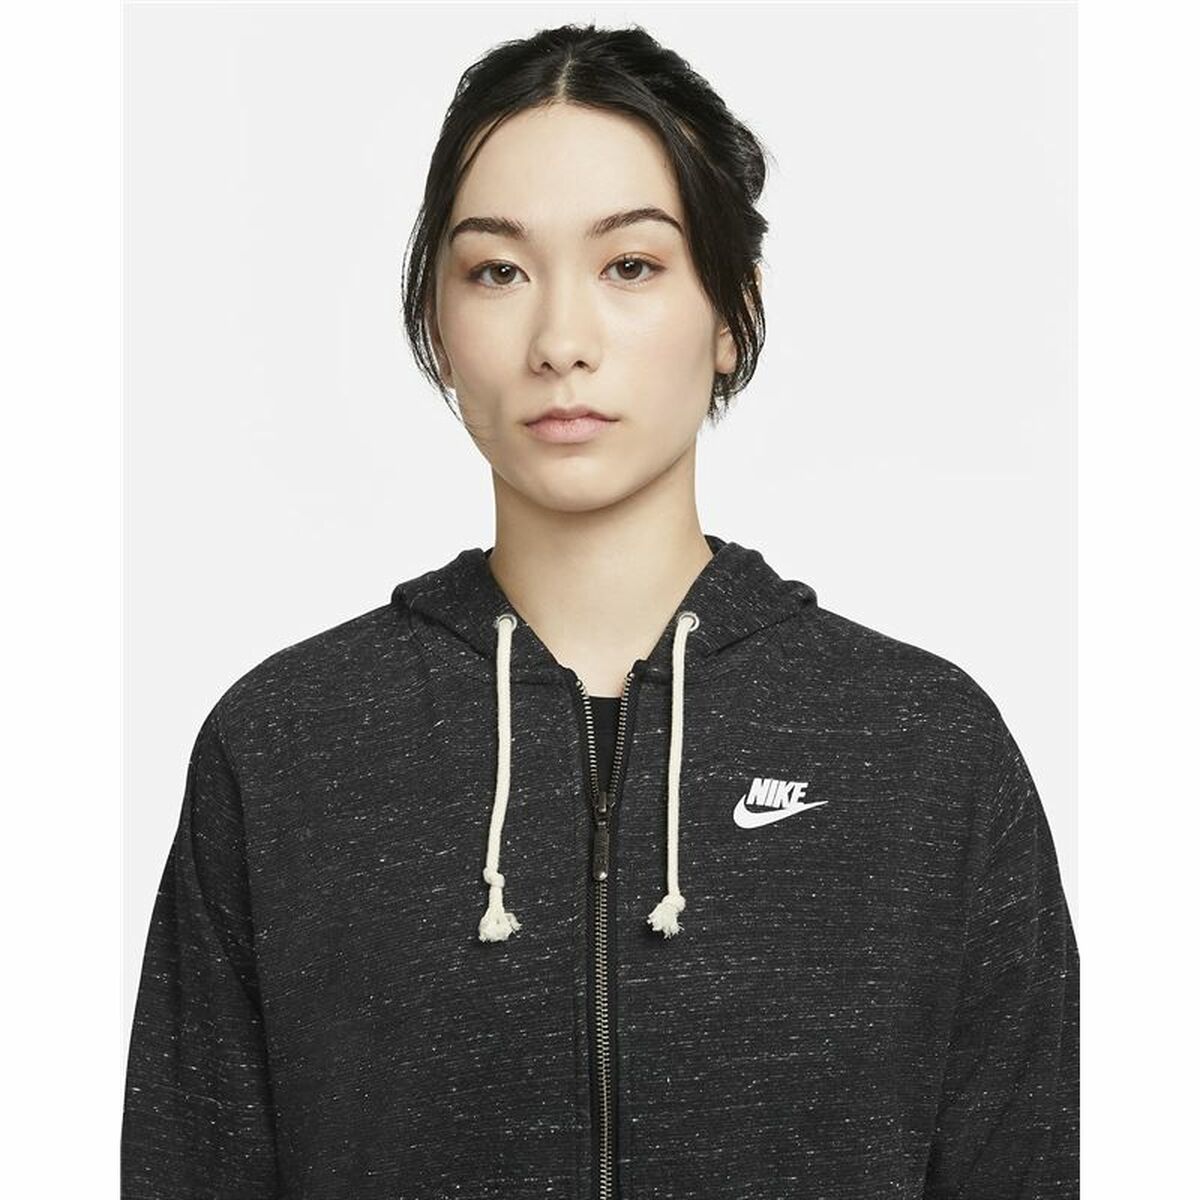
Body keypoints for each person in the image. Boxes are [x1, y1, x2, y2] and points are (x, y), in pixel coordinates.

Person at [121, 22, 1079, 1200]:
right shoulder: (286, 749)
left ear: (731, 313)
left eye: (630, 265)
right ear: (437, 324)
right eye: (497, 272)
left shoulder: (926, 752)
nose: (561, 342)